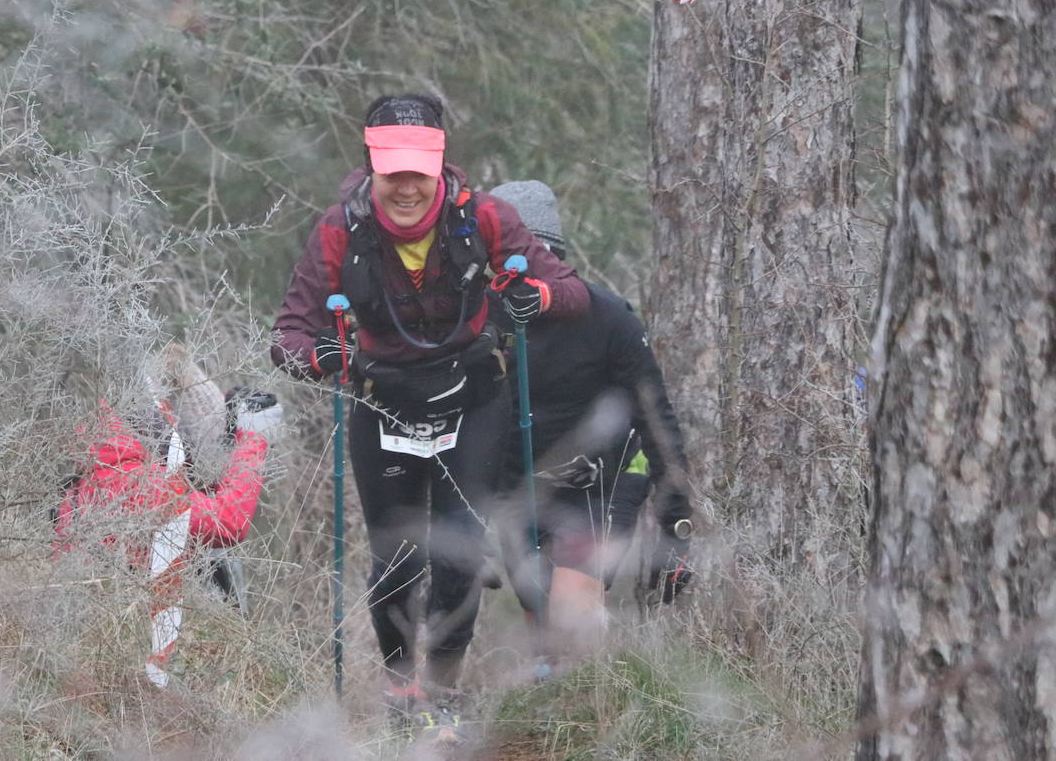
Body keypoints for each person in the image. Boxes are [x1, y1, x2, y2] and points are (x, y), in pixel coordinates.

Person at [270, 94, 589, 723]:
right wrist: (322, 360)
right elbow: (288, 336)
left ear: (441, 163)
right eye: (394, 171)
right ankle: (399, 690)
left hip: (471, 402)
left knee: (459, 554)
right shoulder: (341, 229)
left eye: (420, 169)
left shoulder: (487, 219)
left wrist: (536, 298)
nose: (407, 187)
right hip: (382, 404)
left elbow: (571, 292)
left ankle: (443, 691)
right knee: (396, 560)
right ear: (372, 165)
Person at [487, 180, 695, 656]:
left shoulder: (607, 318)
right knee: (539, 618)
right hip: (517, 485)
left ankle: (583, 710)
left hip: (601, 482)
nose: (524, 272)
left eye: (540, 256)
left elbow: (656, 419)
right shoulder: (479, 318)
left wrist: (675, 526)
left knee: (569, 618)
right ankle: (551, 715)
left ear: (557, 256)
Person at [53, 386, 282, 688]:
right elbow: (228, 522)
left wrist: (228, 421)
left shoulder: (119, 455)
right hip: (107, 656)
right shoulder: (134, 483)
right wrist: (252, 439)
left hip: (105, 635)